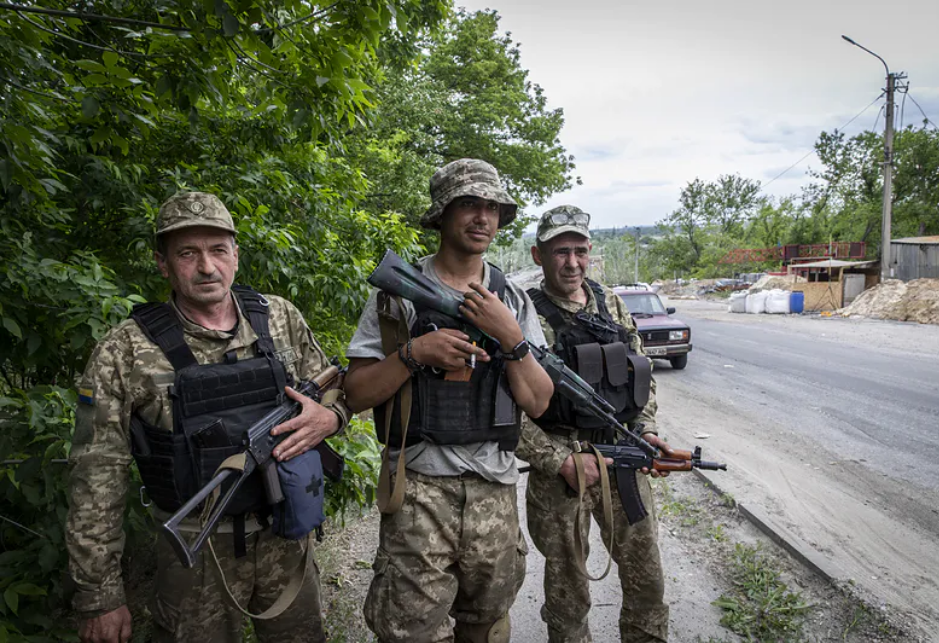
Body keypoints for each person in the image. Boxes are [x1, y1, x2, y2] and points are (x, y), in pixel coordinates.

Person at [66, 192, 351, 643]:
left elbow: (338, 389)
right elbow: (96, 475)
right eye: (188, 253)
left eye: (219, 250)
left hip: (285, 535)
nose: (207, 267)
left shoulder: (278, 317)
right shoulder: (125, 349)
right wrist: (99, 595)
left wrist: (330, 417)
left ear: (236, 256)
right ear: (163, 264)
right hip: (196, 555)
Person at [344, 158, 554, 643]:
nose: (482, 218)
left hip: (495, 491)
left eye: (492, 207)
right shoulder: (398, 296)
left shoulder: (514, 301)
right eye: (468, 205)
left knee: (485, 625)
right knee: (408, 631)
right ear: (442, 214)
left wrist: (512, 338)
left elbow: (539, 402)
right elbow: (355, 394)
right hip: (417, 488)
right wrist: (414, 353)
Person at [516, 205, 670, 643]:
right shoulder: (527, 315)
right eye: (560, 251)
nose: (572, 262)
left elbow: (642, 376)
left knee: (647, 581)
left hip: (622, 460)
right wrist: (558, 460)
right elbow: (510, 407)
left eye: (580, 251)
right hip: (562, 467)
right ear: (537, 255)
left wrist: (646, 430)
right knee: (568, 590)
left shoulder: (612, 304)